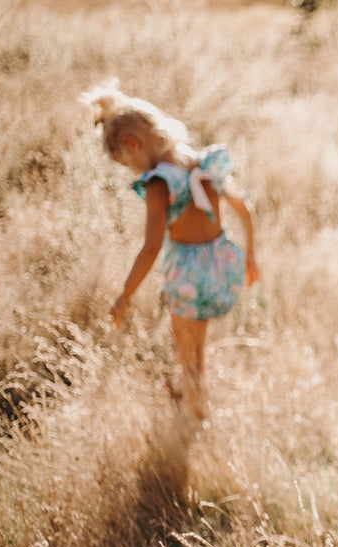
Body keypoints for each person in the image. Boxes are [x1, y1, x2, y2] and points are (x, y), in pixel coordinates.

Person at [81, 83, 259, 421]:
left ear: (132, 144)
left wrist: (125, 293)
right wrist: (251, 255)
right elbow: (245, 208)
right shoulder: (203, 162)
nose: (135, 171)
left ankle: (195, 414)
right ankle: (188, 385)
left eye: (127, 163)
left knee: (186, 351)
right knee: (197, 348)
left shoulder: (159, 183)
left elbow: (151, 248)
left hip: (189, 275)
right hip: (223, 265)